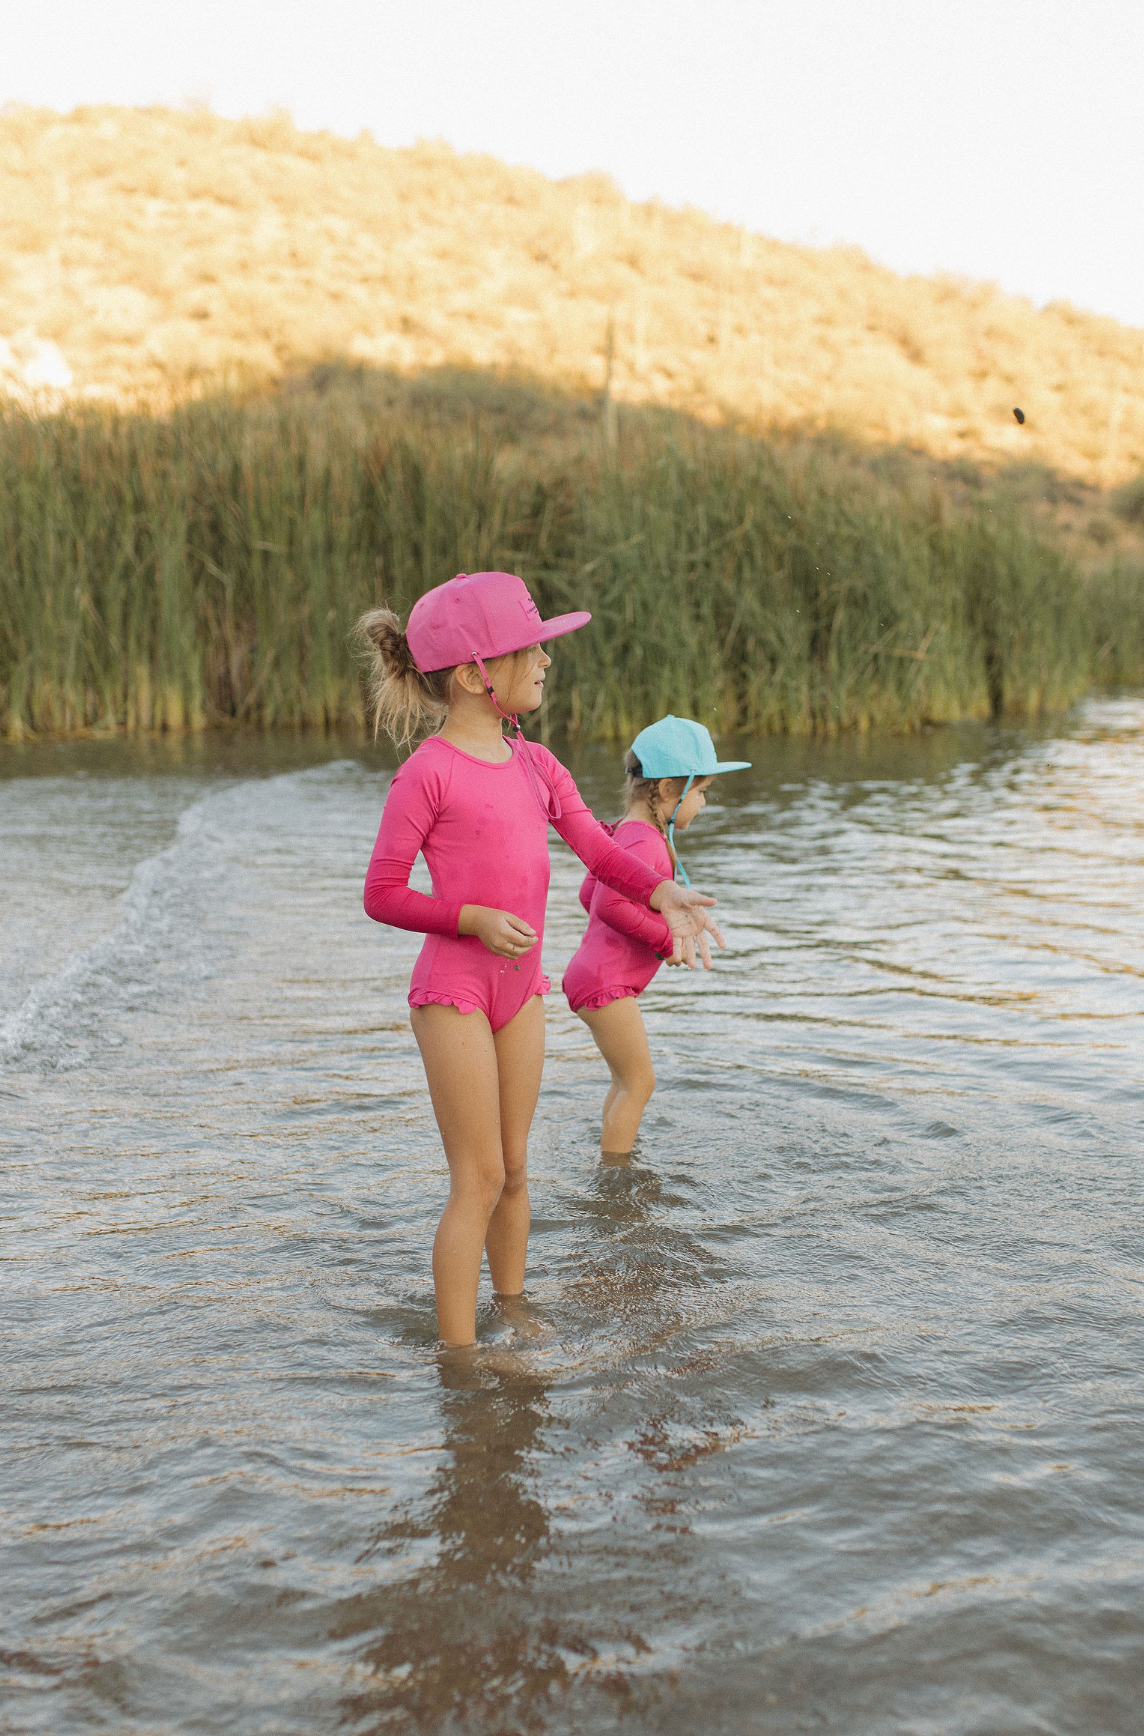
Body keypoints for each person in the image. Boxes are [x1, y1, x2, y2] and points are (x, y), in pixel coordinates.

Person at [359, 573, 724, 1347]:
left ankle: (514, 1313)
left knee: (517, 1170)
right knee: (479, 1179)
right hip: (453, 992)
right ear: (474, 675)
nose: (546, 661)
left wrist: (660, 891)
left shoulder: (538, 764)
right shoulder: (428, 772)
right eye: (531, 649)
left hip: (521, 991)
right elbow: (382, 894)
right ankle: (461, 1362)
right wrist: (469, 919)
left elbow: (595, 845)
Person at [563, 716, 751, 1157]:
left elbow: (589, 895)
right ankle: (616, 1174)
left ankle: (611, 1158)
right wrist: (666, 941)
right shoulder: (645, 842)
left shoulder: (622, 834)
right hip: (607, 984)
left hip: (591, 977)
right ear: (669, 790)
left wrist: (653, 926)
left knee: (624, 1082)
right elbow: (609, 905)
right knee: (639, 1083)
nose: (703, 803)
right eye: (701, 792)